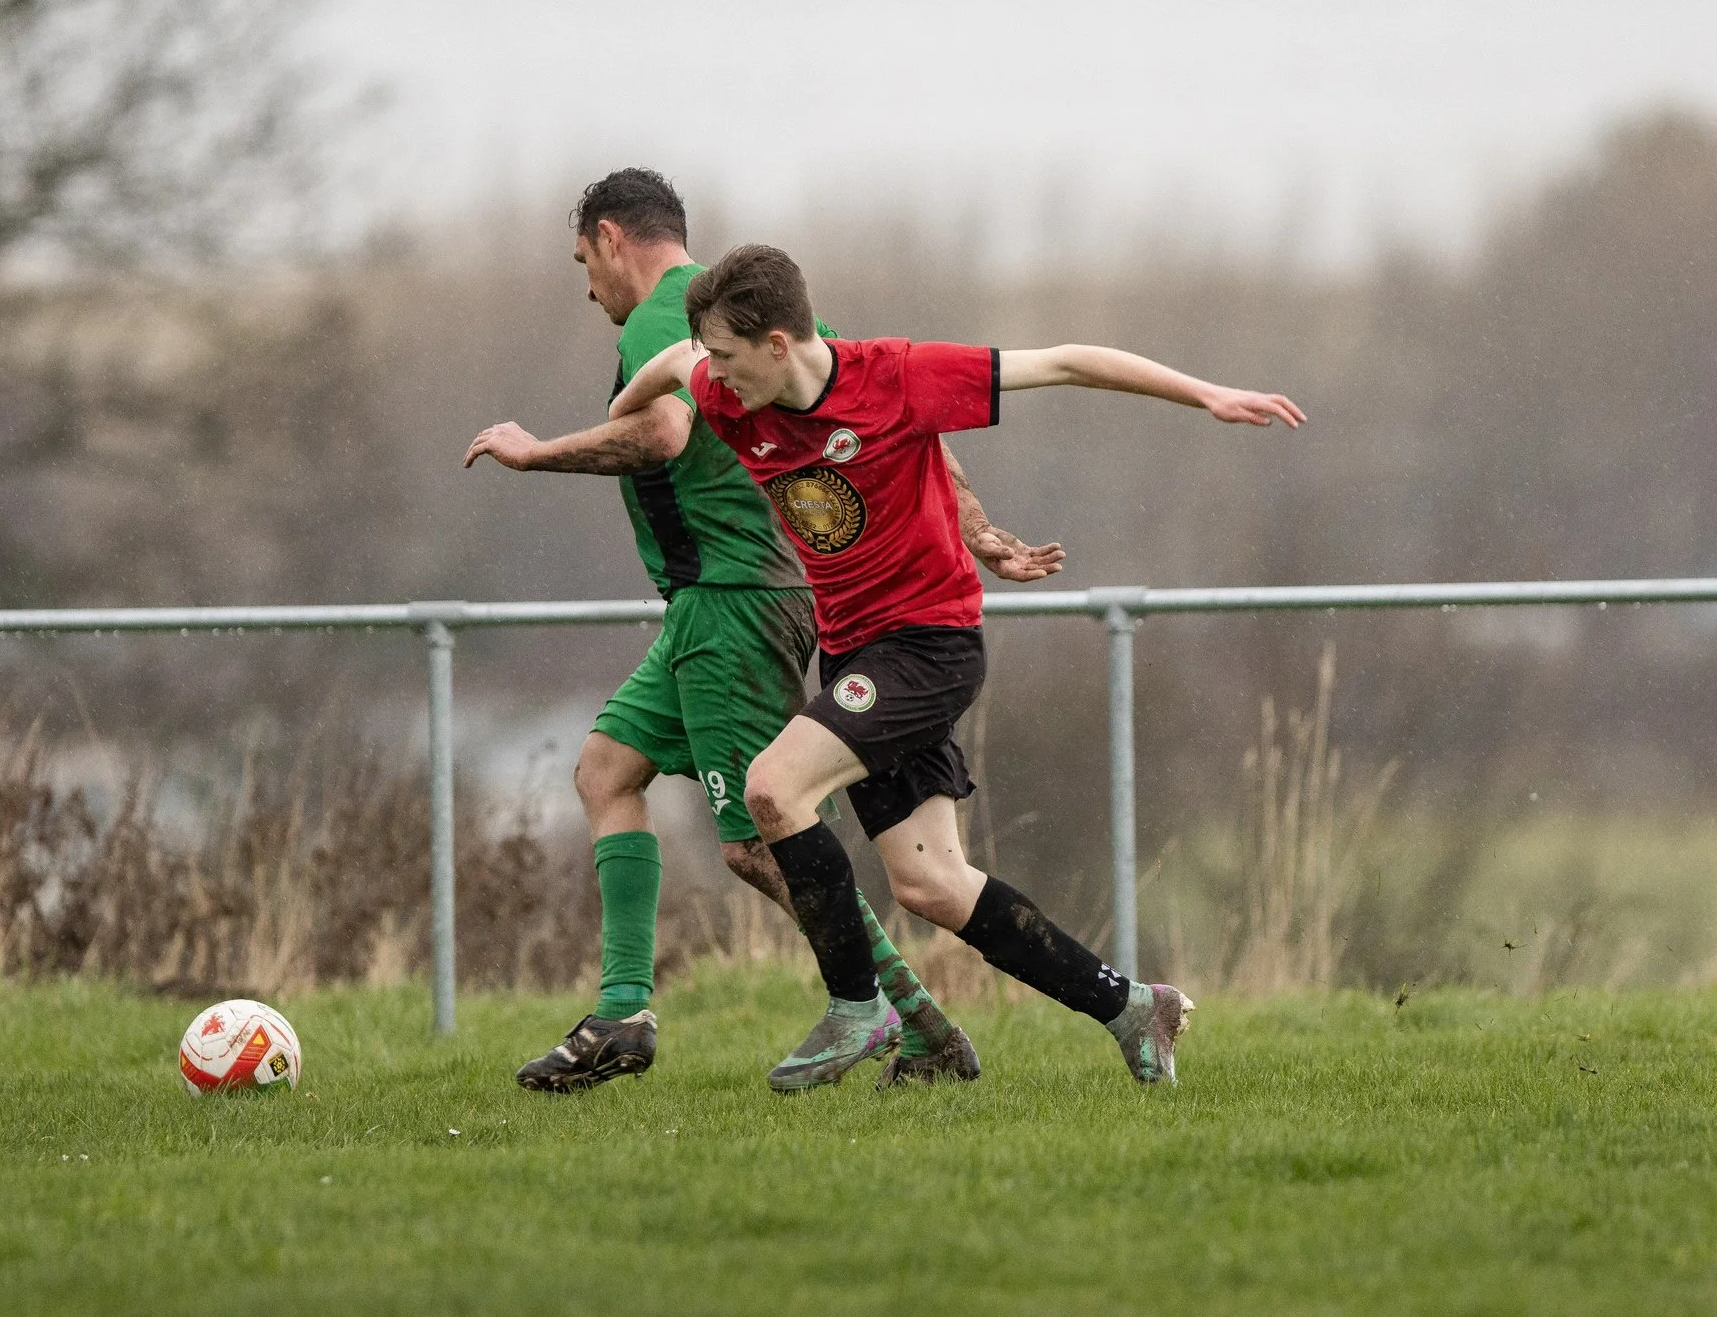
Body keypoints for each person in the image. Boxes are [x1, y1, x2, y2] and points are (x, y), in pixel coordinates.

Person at [609, 242, 1305, 1090]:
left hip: (928, 647)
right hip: (855, 657)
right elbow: (668, 369)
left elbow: (1068, 362)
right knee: (931, 885)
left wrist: (1206, 394)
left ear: (778, 342)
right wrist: (625, 399)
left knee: (771, 790)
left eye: (726, 354)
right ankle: (1131, 1007)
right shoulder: (723, 386)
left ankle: (858, 1007)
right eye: (710, 356)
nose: (714, 372)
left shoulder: (898, 377)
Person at [464, 171, 1063, 1091]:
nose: (587, 287)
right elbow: (895, 426)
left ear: (615, 238)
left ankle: (919, 1024)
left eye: (585, 261)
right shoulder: (716, 308)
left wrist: (535, 451)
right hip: (706, 602)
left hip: (737, 601)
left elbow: (664, 433)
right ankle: (623, 1013)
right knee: (606, 772)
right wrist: (979, 529)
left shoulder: (671, 319)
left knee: (756, 836)